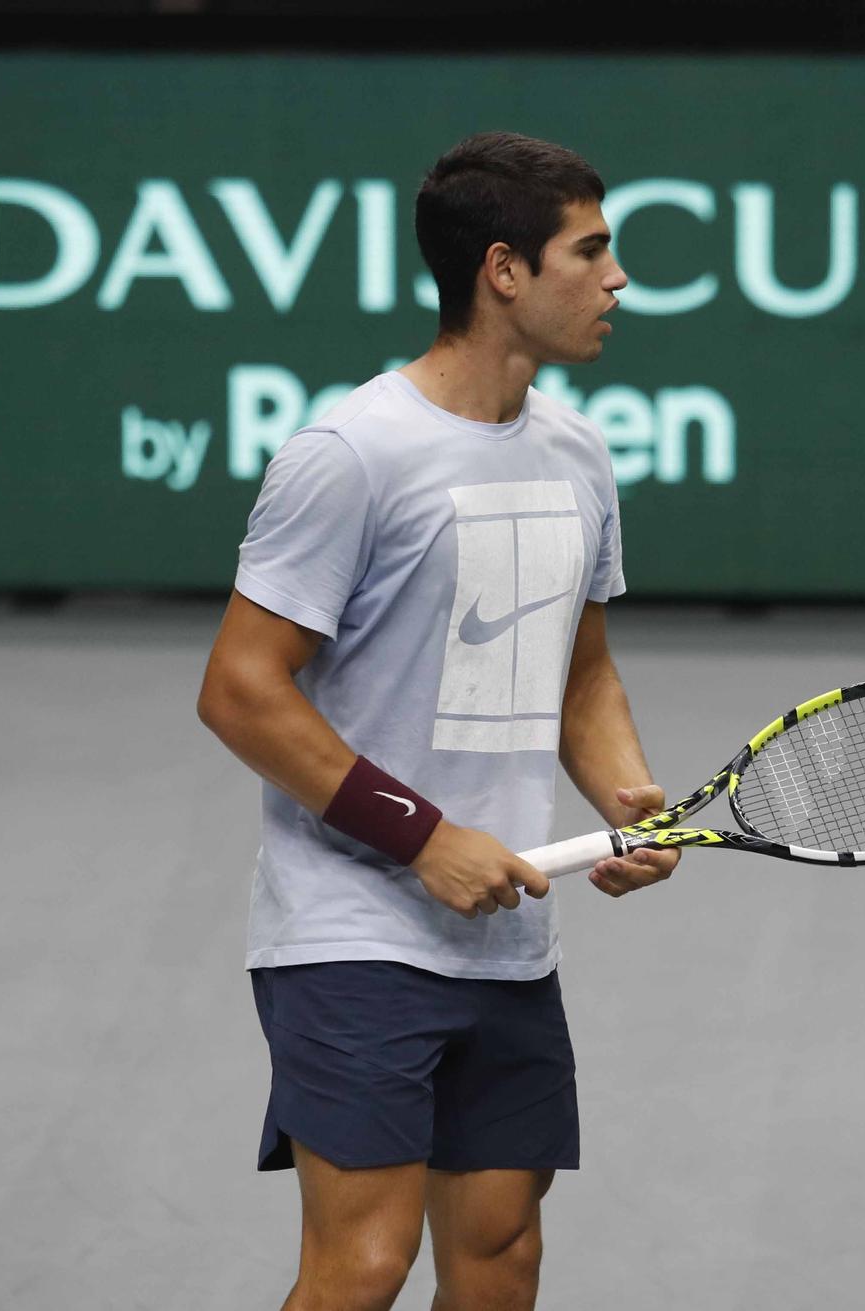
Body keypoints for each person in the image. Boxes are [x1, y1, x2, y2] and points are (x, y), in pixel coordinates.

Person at [198, 130, 677, 1311]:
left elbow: (581, 674)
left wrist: (622, 792)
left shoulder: (575, 453)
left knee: (499, 1255)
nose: (616, 279)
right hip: (352, 924)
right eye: (591, 251)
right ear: (503, 270)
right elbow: (241, 689)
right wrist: (418, 837)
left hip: (505, 928)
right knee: (361, 1266)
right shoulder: (351, 453)